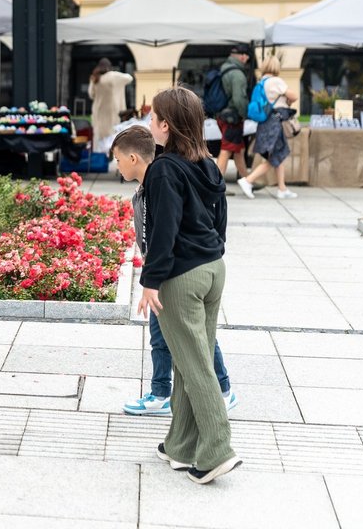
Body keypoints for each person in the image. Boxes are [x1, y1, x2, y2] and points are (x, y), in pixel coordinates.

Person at [138, 87, 241, 485]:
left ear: (166, 124)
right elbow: (221, 216)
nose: (149, 124)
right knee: (187, 358)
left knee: (196, 365)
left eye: (152, 118)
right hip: (213, 268)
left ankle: (217, 450)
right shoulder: (209, 164)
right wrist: (212, 249)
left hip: (183, 276)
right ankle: (181, 445)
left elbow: (163, 231)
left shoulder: (165, 168)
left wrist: (151, 281)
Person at [112, 126, 236, 418]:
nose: (116, 165)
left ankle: (221, 389)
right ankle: (161, 392)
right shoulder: (147, 186)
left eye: (117, 159)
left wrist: (153, 278)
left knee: (195, 334)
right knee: (165, 334)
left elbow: (167, 232)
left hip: (175, 271)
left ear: (132, 158)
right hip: (165, 269)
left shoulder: (163, 181)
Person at [237, 56, 299, 200]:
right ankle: (248, 180)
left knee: (278, 154)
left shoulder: (262, 82)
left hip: (266, 123)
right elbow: (294, 96)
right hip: (275, 123)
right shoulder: (276, 81)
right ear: (276, 67)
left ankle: (282, 188)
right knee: (276, 156)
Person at [216, 44, 252, 181]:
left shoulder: (224, 68)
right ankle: (215, 185)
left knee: (238, 151)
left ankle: (247, 180)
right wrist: (246, 114)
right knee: (226, 149)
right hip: (233, 117)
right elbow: (239, 99)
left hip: (223, 114)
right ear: (243, 56)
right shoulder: (237, 74)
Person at [89, 58, 133, 152]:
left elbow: (91, 94)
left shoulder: (95, 78)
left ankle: (99, 160)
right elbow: (129, 78)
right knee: (112, 137)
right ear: (109, 66)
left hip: (98, 112)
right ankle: (110, 160)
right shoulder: (112, 76)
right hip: (111, 112)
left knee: (99, 138)